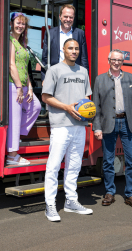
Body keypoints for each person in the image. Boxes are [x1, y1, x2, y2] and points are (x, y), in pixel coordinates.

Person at [42, 38, 93, 222]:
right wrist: (66, 107)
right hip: (61, 124)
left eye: (76, 49)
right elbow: (46, 97)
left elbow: (87, 99)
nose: (74, 51)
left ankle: (71, 201)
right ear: (63, 49)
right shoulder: (54, 70)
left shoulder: (84, 71)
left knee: (74, 166)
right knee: (54, 166)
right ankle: (50, 205)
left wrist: (89, 113)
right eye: (70, 48)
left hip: (80, 126)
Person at [93, 49, 132, 209]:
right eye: (114, 60)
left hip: (127, 124)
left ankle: (130, 194)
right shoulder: (100, 79)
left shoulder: (130, 78)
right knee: (108, 161)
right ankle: (109, 192)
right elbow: (96, 106)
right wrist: (97, 127)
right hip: (109, 124)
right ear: (109, 60)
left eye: (120, 60)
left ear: (123, 62)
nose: (116, 62)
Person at [7, 12, 41, 165]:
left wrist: (30, 87)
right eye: (18, 23)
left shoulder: (22, 43)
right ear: (12, 23)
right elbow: (11, 65)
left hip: (24, 85)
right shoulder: (10, 40)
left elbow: (25, 69)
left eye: (23, 24)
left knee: (36, 106)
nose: (20, 26)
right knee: (15, 118)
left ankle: (14, 136)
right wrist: (19, 87)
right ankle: (12, 156)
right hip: (13, 85)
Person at [41, 4, 89, 81]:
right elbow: (45, 57)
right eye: (65, 16)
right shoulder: (50, 33)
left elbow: (84, 58)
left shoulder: (80, 33)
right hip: (55, 75)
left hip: (75, 76)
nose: (68, 19)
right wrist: (44, 78)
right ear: (60, 17)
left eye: (71, 17)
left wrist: (85, 78)